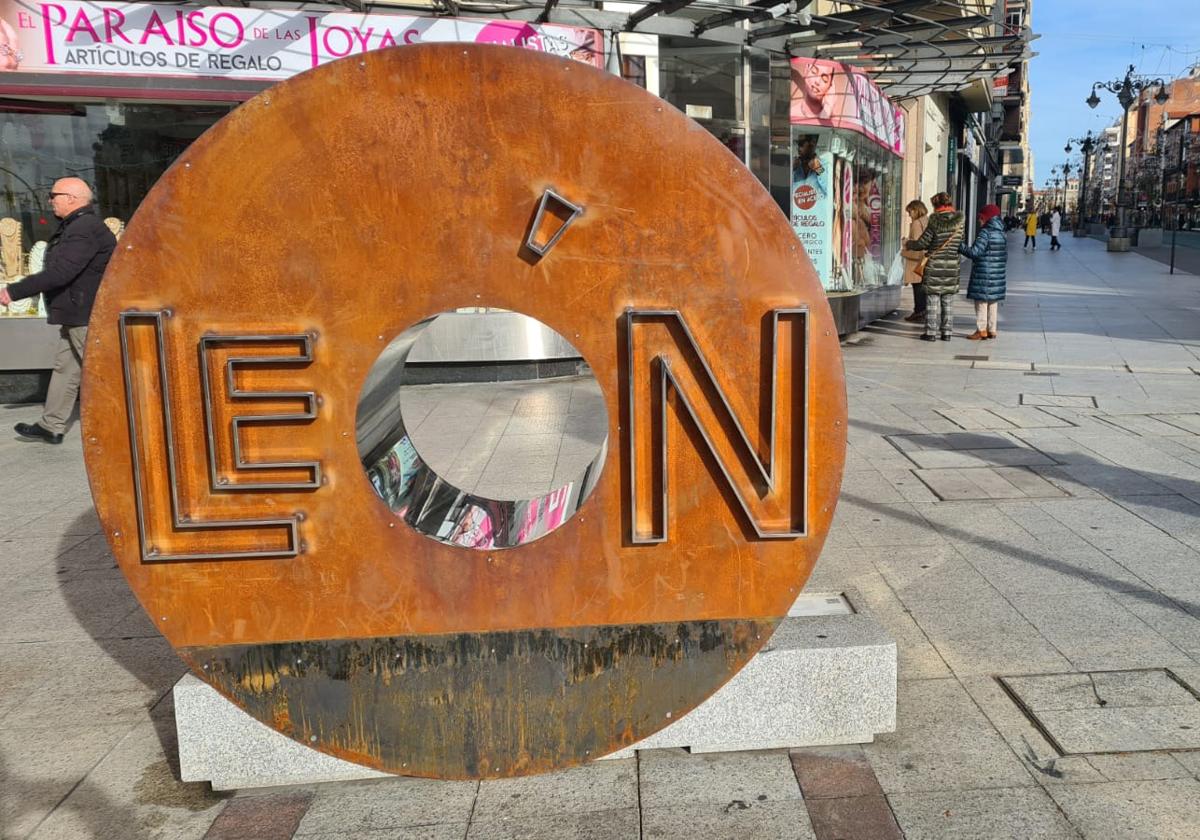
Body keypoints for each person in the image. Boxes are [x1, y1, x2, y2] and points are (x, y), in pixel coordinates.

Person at [0, 177, 116, 443]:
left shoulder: (84, 228)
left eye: (54, 195)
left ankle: (121, 428)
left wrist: (13, 291)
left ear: (72, 198)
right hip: (77, 314)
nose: (50, 200)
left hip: (85, 315)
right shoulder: (77, 225)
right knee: (66, 368)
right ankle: (52, 425)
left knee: (104, 374)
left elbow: (61, 272)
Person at [905, 191, 964, 342]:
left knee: (932, 300)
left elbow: (922, 243)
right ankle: (947, 333)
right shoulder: (959, 223)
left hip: (934, 265)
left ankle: (930, 333)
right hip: (952, 266)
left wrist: (908, 243)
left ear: (935, 206)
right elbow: (958, 244)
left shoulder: (934, 221)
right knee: (948, 300)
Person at [960, 203, 1007, 341]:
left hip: (984, 272)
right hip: (997, 273)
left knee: (981, 301)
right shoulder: (1001, 233)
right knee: (993, 301)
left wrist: (960, 246)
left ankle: (981, 330)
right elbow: (1005, 256)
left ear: (987, 218)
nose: (979, 221)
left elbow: (975, 252)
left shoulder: (985, 233)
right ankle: (992, 330)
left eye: (981, 218)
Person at [901, 199, 929, 322]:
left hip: (915, 260)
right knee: (921, 286)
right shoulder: (926, 221)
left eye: (910, 212)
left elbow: (916, 243)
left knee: (917, 286)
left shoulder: (917, 223)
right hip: (924, 259)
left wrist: (905, 243)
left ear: (915, 210)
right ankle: (921, 311)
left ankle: (919, 311)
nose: (909, 215)